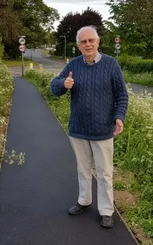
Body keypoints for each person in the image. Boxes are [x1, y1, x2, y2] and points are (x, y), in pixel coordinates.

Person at [50, 26, 128, 228]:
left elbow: (121, 95)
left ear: (98, 42)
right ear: (78, 46)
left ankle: (106, 210)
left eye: (91, 40)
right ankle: (84, 201)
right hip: (79, 129)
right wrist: (63, 84)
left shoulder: (111, 65)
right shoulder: (74, 65)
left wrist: (119, 117)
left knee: (104, 172)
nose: (88, 44)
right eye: (83, 42)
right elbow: (54, 86)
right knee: (83, 170)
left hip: (103, 130)